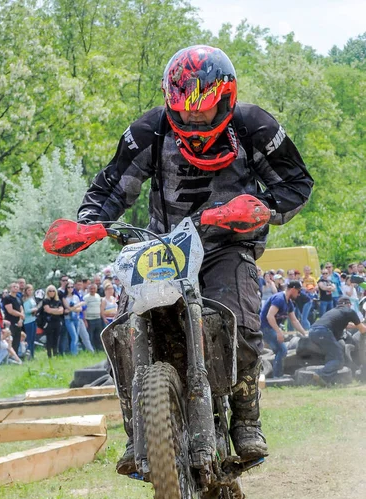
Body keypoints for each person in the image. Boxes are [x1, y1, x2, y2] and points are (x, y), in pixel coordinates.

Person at [77, 45, 313, 471]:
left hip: (227, 244)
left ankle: (245, 418)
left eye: (203, 111)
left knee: (236, 315)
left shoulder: (254, 126)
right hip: (163, 247)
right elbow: (113, 187)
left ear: (226, 98)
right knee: (127, 329)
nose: (194, 119)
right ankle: (138, 432)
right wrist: (88, 223)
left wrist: (259, 206)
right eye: (184, 111)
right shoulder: (150, 130)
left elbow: (296, 183)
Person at [309, 296, 366, 386]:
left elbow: (348, 325)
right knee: (338, 358)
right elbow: (362, 330)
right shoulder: (350, 311)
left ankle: (326, 381)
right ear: (349, 304)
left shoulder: (333, 312)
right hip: (323, 332)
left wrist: (357, 325)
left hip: (313, 332)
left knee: (331, 356)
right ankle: (320, 373)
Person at [260, 281, 307, 378]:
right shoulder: (279, 299)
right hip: (265, 327)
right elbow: (270, 316)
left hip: (270, 327)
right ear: (293, 289)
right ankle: (277, 376)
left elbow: (294, 321)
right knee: (282, 350)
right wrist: (278, 332)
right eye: (298, 292)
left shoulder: (289, 303)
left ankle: (275, 374)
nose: (298, 295)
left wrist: (305, 334)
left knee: (280, 350)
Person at [62, 282, 84, 355]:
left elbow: (80, 309)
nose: (70, 288)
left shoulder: (76, 297)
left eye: (72, 287)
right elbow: (67, 307)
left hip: (76, 318)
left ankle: (75, 352)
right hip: (68, 319)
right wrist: (78, 305)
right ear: (66, 288)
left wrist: (75, 307)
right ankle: (74, 353)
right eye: (68, 287)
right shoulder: (64, 298)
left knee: (76, 337)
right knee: (74, 336)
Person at [3, 282, 25, 355]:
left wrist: (20, 320)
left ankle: (15, 356)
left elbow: (21, 309)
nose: (16, 288)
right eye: (14, 286)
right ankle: (8, 357)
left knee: (17, 340)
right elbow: (10, 311)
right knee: (10, 340)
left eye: (17, 287)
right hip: (10, 322)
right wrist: (21, 315)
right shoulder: (7, 298)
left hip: (18, 323)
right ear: (10, 288)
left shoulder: (19, 299)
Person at [42, 285, 64, 358]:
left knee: (56, 338)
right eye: (50, 291)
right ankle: (49, 355)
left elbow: (61, 311)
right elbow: (47, 310)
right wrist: (56, 310)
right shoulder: (45, 301)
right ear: (47, 292)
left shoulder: (58, 301)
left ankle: (55, 353)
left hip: (57, 322)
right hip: (49, 322)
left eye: (53, 291)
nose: (52, 292)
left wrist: (52, 310)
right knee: (49, 339)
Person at [83, 282, 103, 352]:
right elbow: (83, 309)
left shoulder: (98, 296)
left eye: (94, 288)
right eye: (91, 288)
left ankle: (99, 349)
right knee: (90, 336)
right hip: (89, 319)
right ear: (88, 289)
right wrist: (84, 320)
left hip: (98, 318)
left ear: (96, 289)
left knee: (98, 335)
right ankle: (91, 349)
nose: (92, 290)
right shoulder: (86, 298)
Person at [23, 284, 38, 359]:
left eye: (31, 290)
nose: (30, 291)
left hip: (33, 319)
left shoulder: (32, 299)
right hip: (28, 321)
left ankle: (32, 354)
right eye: (28, 290)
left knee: (33, 339)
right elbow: (26, 311)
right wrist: (35, 309)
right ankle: (28, 355)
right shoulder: (25, 300)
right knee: (29, 339)